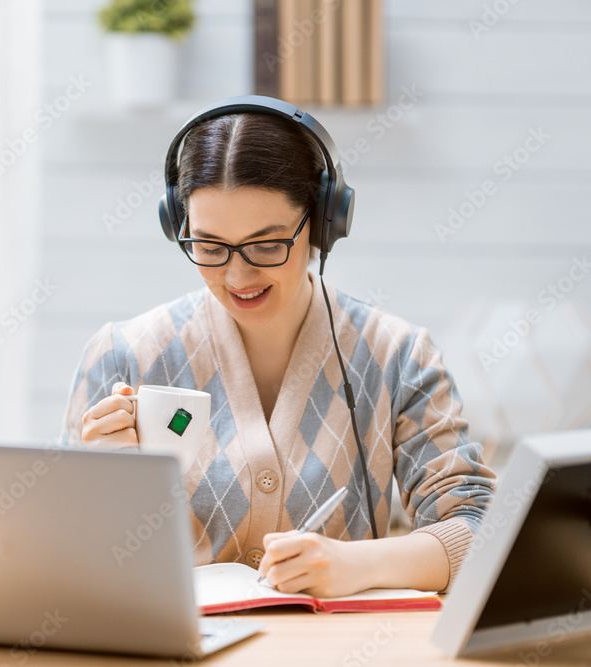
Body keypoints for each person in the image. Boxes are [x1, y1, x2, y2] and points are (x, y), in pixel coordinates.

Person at [60, 98, 497, 599]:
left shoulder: (397, 355)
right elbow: (56, 559)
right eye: (209, 246)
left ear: (325, 222)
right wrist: (97, 493)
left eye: (267, 246)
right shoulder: (122, 354)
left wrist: (358, 564)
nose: (237, 276)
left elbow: (479, 529)